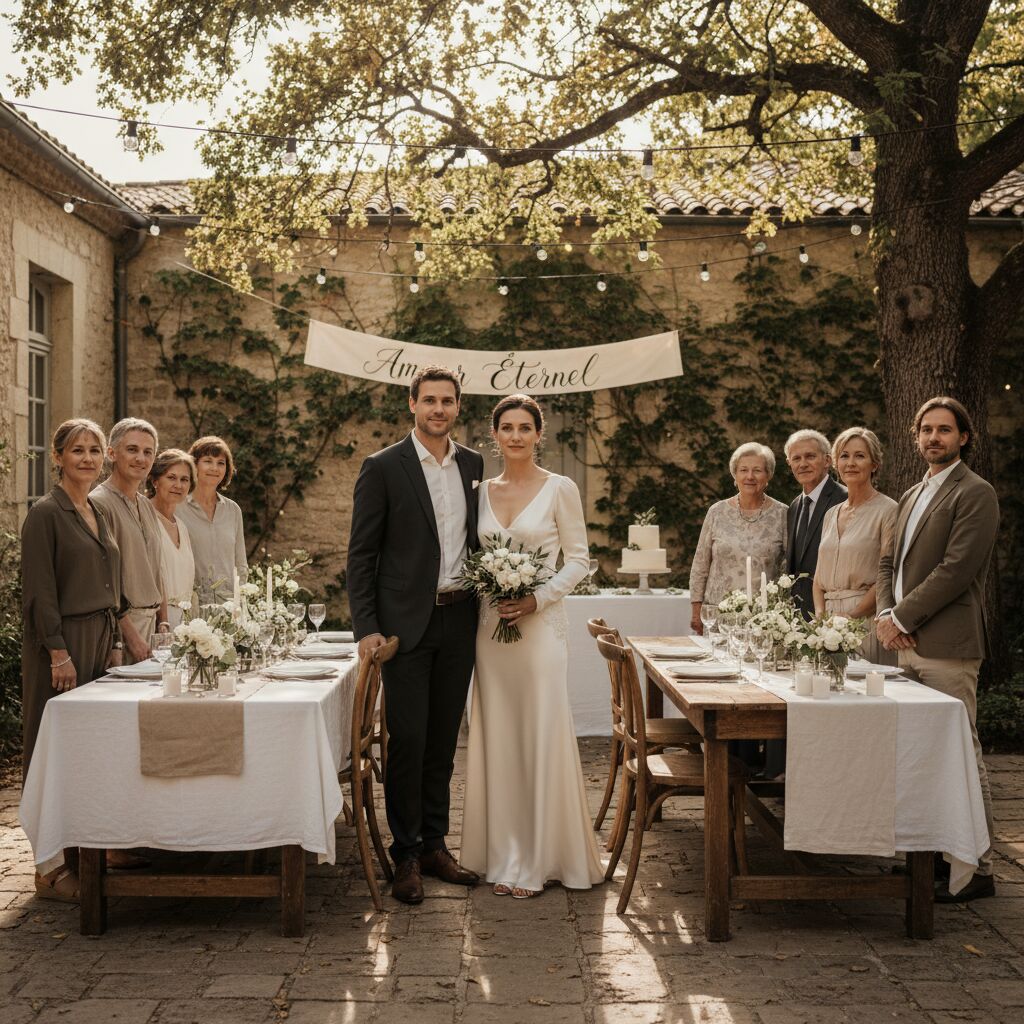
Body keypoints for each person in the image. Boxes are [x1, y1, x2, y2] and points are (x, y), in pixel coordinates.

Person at [347, 366, 484, 904]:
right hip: (403, 628)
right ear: (412, 405)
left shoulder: (473, 464)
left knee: (445, 739)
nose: (438, 409)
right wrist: (367, 627)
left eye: (447, 401)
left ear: (457, 407)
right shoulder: (382, 467)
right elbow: (361, 556)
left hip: (459, 618)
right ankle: (404, 855)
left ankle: (434, 844)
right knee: (407, 740)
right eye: (429, 400)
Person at [461, 395, 605, 898]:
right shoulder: (478, 492)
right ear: (494, 434)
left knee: (540, 731)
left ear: (539, 434)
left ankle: (543, 858)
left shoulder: (560, 488)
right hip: (491, 630)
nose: (516, 436)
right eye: (507, 427)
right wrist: (495, 590)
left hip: (541, 630)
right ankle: (504, 855)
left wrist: (537, 597)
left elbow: (580, 560)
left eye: (526, 427)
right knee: (498, 735)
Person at [877, 396, 999, 903]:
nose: (934, 438)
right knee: (915, 754)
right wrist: (887, 617)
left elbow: (957, 569)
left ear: (963, 437)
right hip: (900, 643)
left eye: (944, 430)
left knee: (961, 751)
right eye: (926, 430)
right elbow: (887, 564)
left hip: (947, 645)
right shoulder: (911, 493)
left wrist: (903, 617)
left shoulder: (976, 493)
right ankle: (926, 860)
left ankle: (979, 867)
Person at [21, 419, 125, 901]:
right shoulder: (46, 513)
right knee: (49, 747)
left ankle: (88, 849)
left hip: (98, 638)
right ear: (57, 456)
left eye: (94, 450)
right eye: (77, 450)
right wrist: (57, 651)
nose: (87, 458)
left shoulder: (96, 510)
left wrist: (115, 640)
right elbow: (40, 591)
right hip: (60, 644)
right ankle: (47, 869)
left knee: (90, 749)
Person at [813, 427, 897, 665]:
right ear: (836, 463)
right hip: (827, 624)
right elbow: (819, 580)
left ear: (875, 464)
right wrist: (821, 618)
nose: (851, 462)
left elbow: (886, 576)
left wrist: (852, 616)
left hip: (866, 621)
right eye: (844, 455)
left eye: (859, 456)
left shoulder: (889, 511)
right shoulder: (831, 514)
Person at [90, 418, 167, 664]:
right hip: (120, 631)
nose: (141, 459)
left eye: (148, 452)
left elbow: (157, 569)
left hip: (153, 628)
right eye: (132, 450)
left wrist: (162, 622)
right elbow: (102, 581)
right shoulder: (98, 503)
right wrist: (129, 635)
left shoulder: (146, 504)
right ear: (112, 453)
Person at [689, 442, 787, 634]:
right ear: (735, 475)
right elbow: (700, 564)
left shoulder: (783, 514)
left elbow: (788, 569)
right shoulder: (717, 512)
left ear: (768, 475)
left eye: (757, 470)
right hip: (719, 614)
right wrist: (696, 610)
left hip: (764, 619)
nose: (750, 476)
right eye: (743, 470)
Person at [784, 429, 847, 617]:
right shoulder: (794, 506)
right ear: (790, 464)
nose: (803, 464)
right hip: (798, 617)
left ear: (827, 460)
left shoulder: (844, 500)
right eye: (796, 459)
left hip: (835, 614)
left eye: (810, 456)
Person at [178, 435, 247, 603]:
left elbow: (240, 564)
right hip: (189, 606)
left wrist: (239, 603)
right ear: (194, 465)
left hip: (228, 607)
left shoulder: (233, 510)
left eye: (221, 463)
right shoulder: (177, 507)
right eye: (208, 461)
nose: (215, 468)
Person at [148, 449, 197, 628]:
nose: (179, 485)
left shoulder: (182, 527)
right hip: (156, 622)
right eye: (171, 477)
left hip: (184, 623)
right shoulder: (145, 518)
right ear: (155, 481)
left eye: (184, 479)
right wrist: (163, 620)